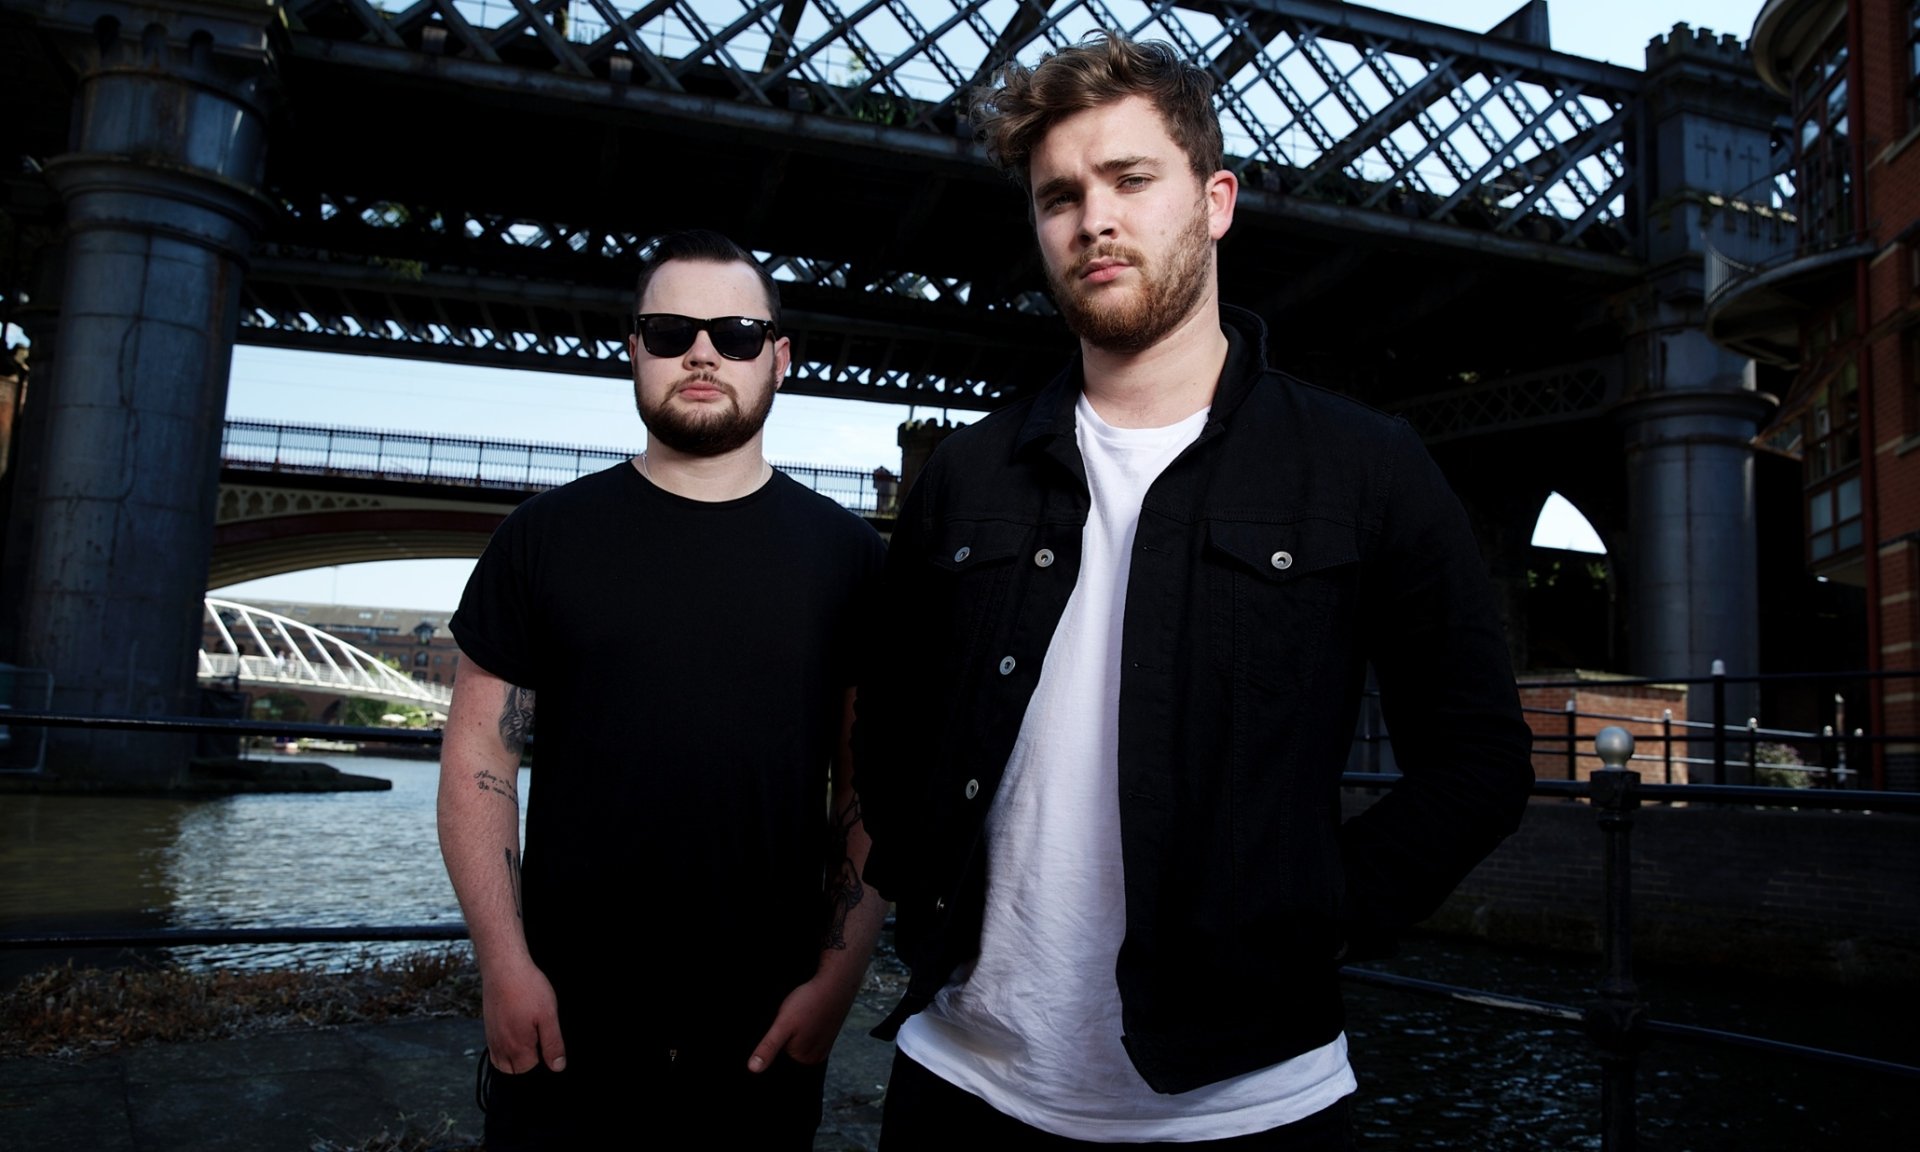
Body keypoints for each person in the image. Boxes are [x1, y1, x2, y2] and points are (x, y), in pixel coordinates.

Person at [854, 35, 1535, 1148]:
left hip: (1250, 1109)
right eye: (1059, 197)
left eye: (1130, 179)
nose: (1094, 220)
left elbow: (1480, 760)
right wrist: (917, 873)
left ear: (1215, 201)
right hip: (961, 1091)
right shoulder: (967, 474)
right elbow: (890, 733)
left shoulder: (1365, 468)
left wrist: (1316, 915)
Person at [437, 229, 887, 1149]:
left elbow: (871, 781)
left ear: (780, 358)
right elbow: (480, 758)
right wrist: (503, 966)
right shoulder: (540, 539)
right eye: (672, 330)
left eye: (737, 334)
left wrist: (836, 984)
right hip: (563, 1026)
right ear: (634, 349)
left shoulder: (851, 560)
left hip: (762, 1035)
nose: (703, 353)